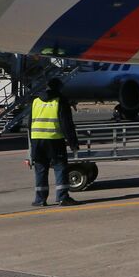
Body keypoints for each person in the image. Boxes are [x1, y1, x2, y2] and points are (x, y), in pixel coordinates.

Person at [28, 78, 79, 207]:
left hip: (36, 140)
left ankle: (40, 199)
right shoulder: (60, 101)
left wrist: (30, 145)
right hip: (54, 139)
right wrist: (73, 143)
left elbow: (29, 124)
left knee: (40, 169)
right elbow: (66, 124)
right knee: (60, 167)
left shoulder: (36, 101)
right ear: (59, 88)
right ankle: (62, 197)